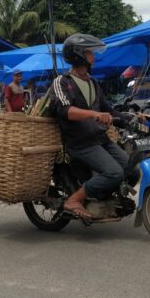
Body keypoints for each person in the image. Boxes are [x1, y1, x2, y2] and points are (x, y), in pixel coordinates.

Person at [50, 33, 132, 219]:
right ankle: (74, 200)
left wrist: (134, 116)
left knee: (131, 169)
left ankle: (102, 198)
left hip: (100, 139)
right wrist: (95, 114)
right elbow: (66, 110)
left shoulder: (93, 83)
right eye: (90, 53)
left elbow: (108, 110)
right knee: (114, 173)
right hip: (80, 143)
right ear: (78, 54)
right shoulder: (62, 82)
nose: (94, 57)